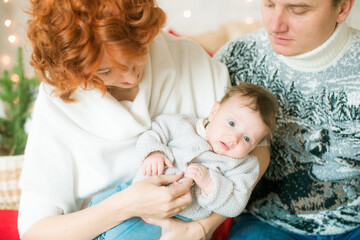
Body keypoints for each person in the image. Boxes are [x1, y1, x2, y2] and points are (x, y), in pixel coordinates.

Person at [16, 0, 239, 239]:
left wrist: (199, 229)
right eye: (105, 71)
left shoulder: (187, 58)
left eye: (139, 51)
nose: (131, 76)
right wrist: (127, 204)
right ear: (72, 69)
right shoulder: (58, 101)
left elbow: (256, 150)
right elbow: (35, 231)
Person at [215, 0, 360, 239]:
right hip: (267, 223)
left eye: (298, 9)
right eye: (269, 4)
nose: (275, 25)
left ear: (343, 8)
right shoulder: (235, 58)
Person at [88, 82, 278, 239]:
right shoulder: (182, 125)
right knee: (99, 208)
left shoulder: (243, 165)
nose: (233, 138)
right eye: (231, 123)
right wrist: (153, 153)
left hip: (176, 219)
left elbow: (236, 203)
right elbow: (153, 133)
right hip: (136, 190)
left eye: (247, 139)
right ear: (214, 111)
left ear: (254, 147)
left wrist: (210, 184)